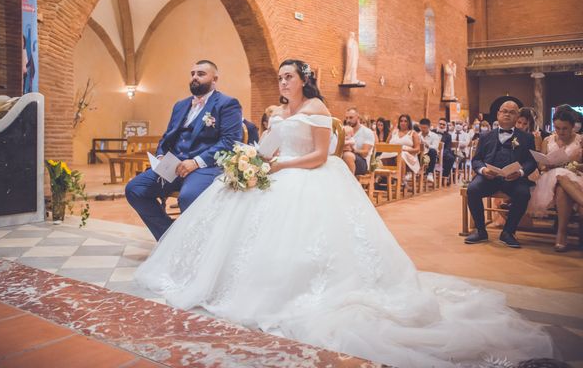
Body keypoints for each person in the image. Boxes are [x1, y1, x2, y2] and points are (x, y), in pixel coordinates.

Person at [135, 59, 553, 367]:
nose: (282, 83)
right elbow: (267, 148)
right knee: (233, 204)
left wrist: (277, 166)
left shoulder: (317, 111)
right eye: (279, 77)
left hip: (309, 176)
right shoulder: (280, 112)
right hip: (277, 171)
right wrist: (250, 162)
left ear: (304, 81)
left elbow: (320, 155)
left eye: (288, 77)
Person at [125, 60, 243, 241]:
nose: (195, 77)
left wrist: (196, 162)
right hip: (173, 166)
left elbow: (230, 142)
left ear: (215, 79)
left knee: (189, 197)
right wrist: (161, 155)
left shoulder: (227, 104)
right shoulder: (181, 105)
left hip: (205, 167)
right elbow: (167, 136)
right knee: (135, 189)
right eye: (193, 73)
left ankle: (197, 244)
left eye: (201, 74)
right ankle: (170, 238)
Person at [465, 101, 538, 248]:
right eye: (504, 111)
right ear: (498, 114)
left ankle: (508, 232)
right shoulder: (486, 136)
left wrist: (521, 172)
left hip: (514, 179)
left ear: (517, 116)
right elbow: (477, 160)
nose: (507, 114)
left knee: (523, 194)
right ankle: (480, 231)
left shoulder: (526, 138)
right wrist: (483, 170)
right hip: (489, 178)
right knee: (472, 189)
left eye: (511, 112)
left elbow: (531, 162)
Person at [527, 105, 583, 252]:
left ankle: (561, 234)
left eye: (565, 128)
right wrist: (546, 165)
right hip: (549, 180)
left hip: (575, 179)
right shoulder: (548, 140)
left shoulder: (580, 141)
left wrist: (575, 165)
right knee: (558, 176)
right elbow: (541, 165)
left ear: (573, 126)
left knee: (562, 188)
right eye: (557, 128)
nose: (561, 132)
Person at [342, 107, 375, 175]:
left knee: (347, 155)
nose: (348, 120)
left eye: (351, 118)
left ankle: (350, 183)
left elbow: (365, 153)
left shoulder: (367, 132)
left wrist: (353, 150)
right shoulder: (344, 130)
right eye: (346, 118)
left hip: (362, 162)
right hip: (346, 157)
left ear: (358, 117)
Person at [419, 118, 440, 183]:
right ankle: (410, 173)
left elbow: (435, 147)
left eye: (425, 128)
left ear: (429, 127)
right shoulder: (417, 135)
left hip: (428, 156)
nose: (423, 129)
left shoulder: (434, 136)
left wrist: (426, 144)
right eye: (421, 127)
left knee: (432, 151)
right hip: (419, 155)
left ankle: (430, 173)